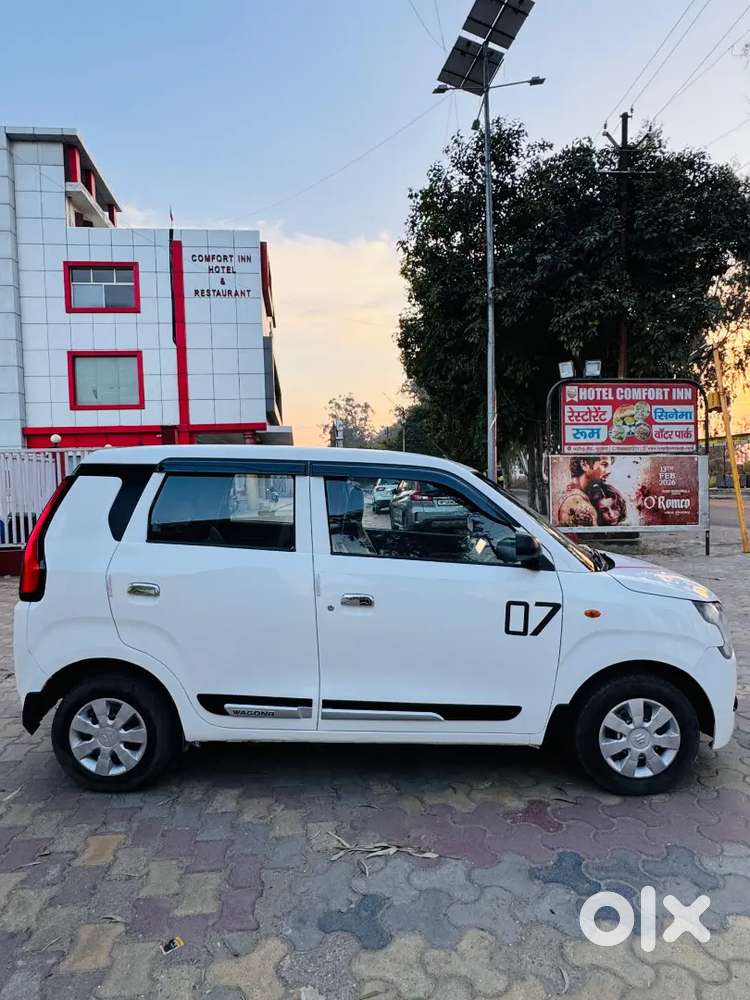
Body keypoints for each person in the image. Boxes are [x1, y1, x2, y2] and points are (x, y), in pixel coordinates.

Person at [556, 456, 614, 527]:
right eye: (604, 464)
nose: (608, 471)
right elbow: (589, 537)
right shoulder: (579, 503)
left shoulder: (575, 495)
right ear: (584, 464)